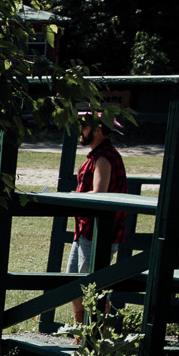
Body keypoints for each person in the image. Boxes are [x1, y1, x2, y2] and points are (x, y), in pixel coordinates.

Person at [66, 110, 127, 326]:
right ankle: (81, 330)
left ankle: (98, 332)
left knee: (91, 284)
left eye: (84, 127)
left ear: (98, 129)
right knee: (72, 280)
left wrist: (72, 197)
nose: (80, 132)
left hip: (98, 233)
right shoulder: (97, 155)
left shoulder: (104, 157)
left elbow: (99, 194)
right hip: (86, 230)